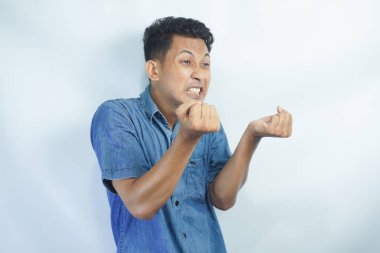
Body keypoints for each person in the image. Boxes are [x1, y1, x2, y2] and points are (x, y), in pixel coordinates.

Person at [90, 16, 292, 253]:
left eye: (205, 64)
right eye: (186, 61)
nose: (200, 74)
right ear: (154, 70)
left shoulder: (206, 122)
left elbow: (223, 198)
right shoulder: (117, 115)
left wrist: (252, 136)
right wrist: (188, 138)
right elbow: (140, 205)